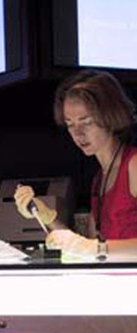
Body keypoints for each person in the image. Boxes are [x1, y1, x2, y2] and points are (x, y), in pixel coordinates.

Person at [15, 69, 137, 261]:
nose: (78, 134)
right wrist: (48, 218)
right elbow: (87, 246)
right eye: (70, 124)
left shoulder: (134, 165)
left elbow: (94, 248)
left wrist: (93, 248)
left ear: (111, 116)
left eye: (86, 122)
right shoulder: (100, 178)